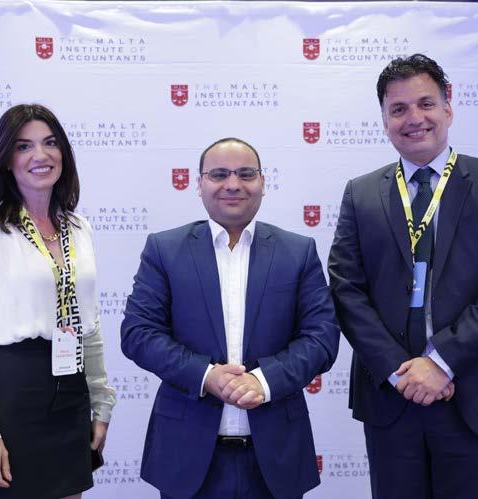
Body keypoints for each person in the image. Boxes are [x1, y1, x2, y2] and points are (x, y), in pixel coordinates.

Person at [328, 54, 478, 499]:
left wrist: (440, 361)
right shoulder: (360, 193)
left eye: (426, 104)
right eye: (399, 109)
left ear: (448, 107)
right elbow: (346, 289)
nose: (414, 118)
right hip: (393, 395)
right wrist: (401, 372)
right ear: (385, 120)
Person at [121, 137, 339, 499]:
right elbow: (138, 333)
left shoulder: (298, 252)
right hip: (186, 455)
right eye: (219, 174)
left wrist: (263, 381)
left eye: (246, 174)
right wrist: (207, 376)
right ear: (199, 184)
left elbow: (322, 338)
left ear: (263, 182)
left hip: (276, 456)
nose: (233, 184)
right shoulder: (164, 249)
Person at [0, 104, 116, 499]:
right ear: (6, 160)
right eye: (24, 146)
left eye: (50, 143)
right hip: (13, 395)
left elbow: (89, 325)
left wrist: (100, 402)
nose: (40, 155)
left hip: (70, 388)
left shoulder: (78, 227)